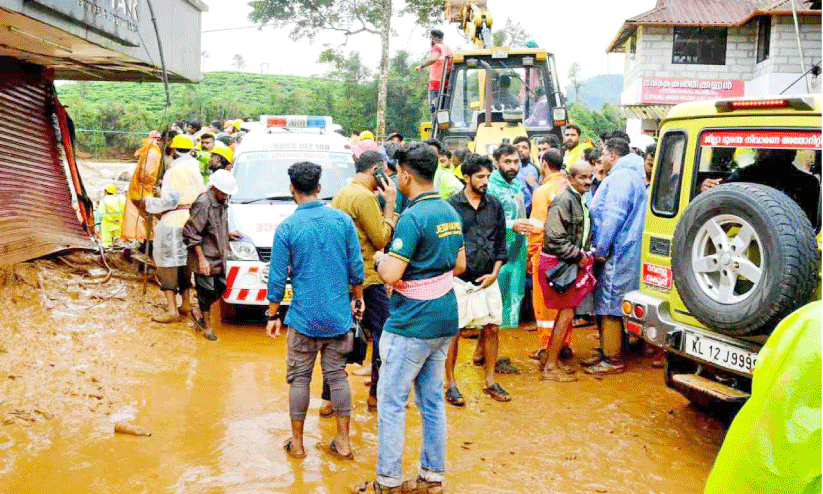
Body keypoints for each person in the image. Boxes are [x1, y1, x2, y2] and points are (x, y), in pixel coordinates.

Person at [353, 142, 466, 494]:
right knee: (431, 400)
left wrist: (379, 260)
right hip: (445, 317)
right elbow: (460, 265)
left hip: (412, 322)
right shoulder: (450, 211)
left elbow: (390, 274)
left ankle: (387, 481)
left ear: (404, 175)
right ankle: (432, 478)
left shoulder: (414, 217)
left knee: (391, 400)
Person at [265, 162, 365, 461]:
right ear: (319, 188)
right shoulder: (342, 222)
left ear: (292, 190)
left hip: (303, 318)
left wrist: (272, 315)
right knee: (337, 376)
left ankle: (297, 445)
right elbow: (356, 268)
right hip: (338, 316)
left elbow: (277, 275)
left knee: (299, 379)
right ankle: (344, 442)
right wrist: (357, 298)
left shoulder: (287, 227)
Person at [329, 150, 397, 412]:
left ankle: (328, 398)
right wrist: (389, 207)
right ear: (376, 171)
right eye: (385, 174)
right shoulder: (365, 196)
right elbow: (380, 238)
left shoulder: (342, 193)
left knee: (337, 339)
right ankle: (375, 395)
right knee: (383, 335)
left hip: (343, 277)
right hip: (368, 277)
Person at [445, 155, 510, 405]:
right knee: (454, 331)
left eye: (488, 177)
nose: (485, 182)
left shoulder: (495, 205)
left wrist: (495, 272)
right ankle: (450, 383)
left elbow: (501, 243)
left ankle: (490, 380)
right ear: (466, 177)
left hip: (488, 279)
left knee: (492, 328)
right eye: (480, 177)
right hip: (459, 281)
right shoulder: (451, 206)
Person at [585, 138, 647, 375]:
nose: (599, 160)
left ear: (612, 154)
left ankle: (612, 359)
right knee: (614, 302)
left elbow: (612, 217)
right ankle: (609, 351)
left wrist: (599, 249)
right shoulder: (633, 176)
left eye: (602, 154)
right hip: (626, 249)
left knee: (610, 304)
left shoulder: (621, 178)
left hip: (617, 251)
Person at [539, 161, 594, 381]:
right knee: (567, 312)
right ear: (570, 179)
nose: (588, 181)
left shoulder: (578, 199)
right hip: (560, 263)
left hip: (567, 262)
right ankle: (551, 367)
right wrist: (579, 255)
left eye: (590, 177)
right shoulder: (564, 200)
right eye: (582, 177)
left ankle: (550, 360)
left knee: (566, 312)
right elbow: (553, 239)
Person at [145, 134, 205, 324]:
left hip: (173, 222)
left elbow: (170, 201)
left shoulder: (174, 171)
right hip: (190, 221)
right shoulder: (195, 169)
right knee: (185, 264)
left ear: (172, 150)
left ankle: (172, 310)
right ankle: (186, 303)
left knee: (168, 265)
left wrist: (150, 203)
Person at [182, 170, 240, 341]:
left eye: (227, 194)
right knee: (205, 291)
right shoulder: (203, 203)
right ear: (214, 188)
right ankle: (206, 326)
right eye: (223, 193)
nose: (225, 196)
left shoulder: (222, 202)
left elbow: (214, 226)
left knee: (221, 287)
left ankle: (199, 313)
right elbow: (191, 232)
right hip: (206, 256)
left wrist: (227, 234)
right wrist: (201, 259)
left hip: (218, 256)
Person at [701, 149, 820, 225]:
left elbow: (810, 224)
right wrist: (705, 188)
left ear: (791, 154)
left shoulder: (808, 183)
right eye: (764, 149)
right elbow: (719, 194)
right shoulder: (744, 175)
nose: (765, 153)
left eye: (775, 150)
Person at [527, 149, 568, 359]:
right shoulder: (570, 187)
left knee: (544, 303)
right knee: (564, 302)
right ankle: (564, 343)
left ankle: (547, 346)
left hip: (546, 254)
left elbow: (537, 227)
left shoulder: (542, 192)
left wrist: (532, 254)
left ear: (544, 164)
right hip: (568, 255)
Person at [487, 144, 531, 330]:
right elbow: (485, 221)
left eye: (516, 162)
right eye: (507, 162)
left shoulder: (516, 187)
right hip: (497, 254)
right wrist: (510, 225)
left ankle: (487, 352)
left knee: (512, 297)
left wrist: (528, 248)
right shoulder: (490, 188)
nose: (513, 167)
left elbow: (523, 216)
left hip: (517, 253)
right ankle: (485, 353)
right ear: (496, 163)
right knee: (492, 302)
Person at [122, 130, 162, 240]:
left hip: (141, 191)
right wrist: (154, 183)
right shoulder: (153, 152)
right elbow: (145, 174)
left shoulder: (150, 150)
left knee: (148, 220)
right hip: (143, 191)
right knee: (150, 219)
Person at [417, 29, 453, 117]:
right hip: (446, 82)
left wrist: (421, 66)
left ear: (433, 38)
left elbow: (433, 58)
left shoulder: (437, 47)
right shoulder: (447, 48)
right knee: (444, 109)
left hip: (436, 83)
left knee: (434, 110)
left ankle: (435, 128)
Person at [514, 136, 539, 214]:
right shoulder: (506, 168)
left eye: (524, 147)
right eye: (518, 147)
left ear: (530, 151)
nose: (521, 150)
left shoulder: (533, 169)